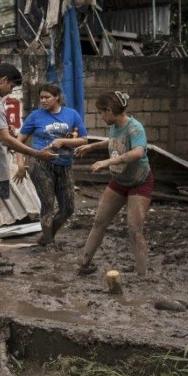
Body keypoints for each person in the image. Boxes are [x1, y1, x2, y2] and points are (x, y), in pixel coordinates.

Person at [0, 63, 57, 266]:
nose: (10, 92)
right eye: (11, 86)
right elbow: (5, 139)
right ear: (4, 80)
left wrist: (4, 130)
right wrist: (36, 153)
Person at [74, 91, 153, 276]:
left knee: (134, 228)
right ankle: (85, 264)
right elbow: (114, 141)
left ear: (109, 110)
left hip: (139, 183)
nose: (101, 117)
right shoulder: (116, 126)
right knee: (99, 221)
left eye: (102, 112)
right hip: (119, 181)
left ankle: (143, 275)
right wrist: (93, 146)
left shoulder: (135, 128)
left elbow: (138, 152)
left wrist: (108, 162)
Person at [13, 83, 88, 246]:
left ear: (57, 97)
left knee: (68, 208)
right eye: (41, 98)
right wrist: (20, 164)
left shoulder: (72, 114)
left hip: (65, 165)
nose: (43, 101)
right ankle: (49, 243)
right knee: (47, 204)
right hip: (41, 165)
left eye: (47, 97)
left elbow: (83, 140)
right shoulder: (35, 116)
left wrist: (63, 141)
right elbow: (18, 141)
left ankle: (47, 237)